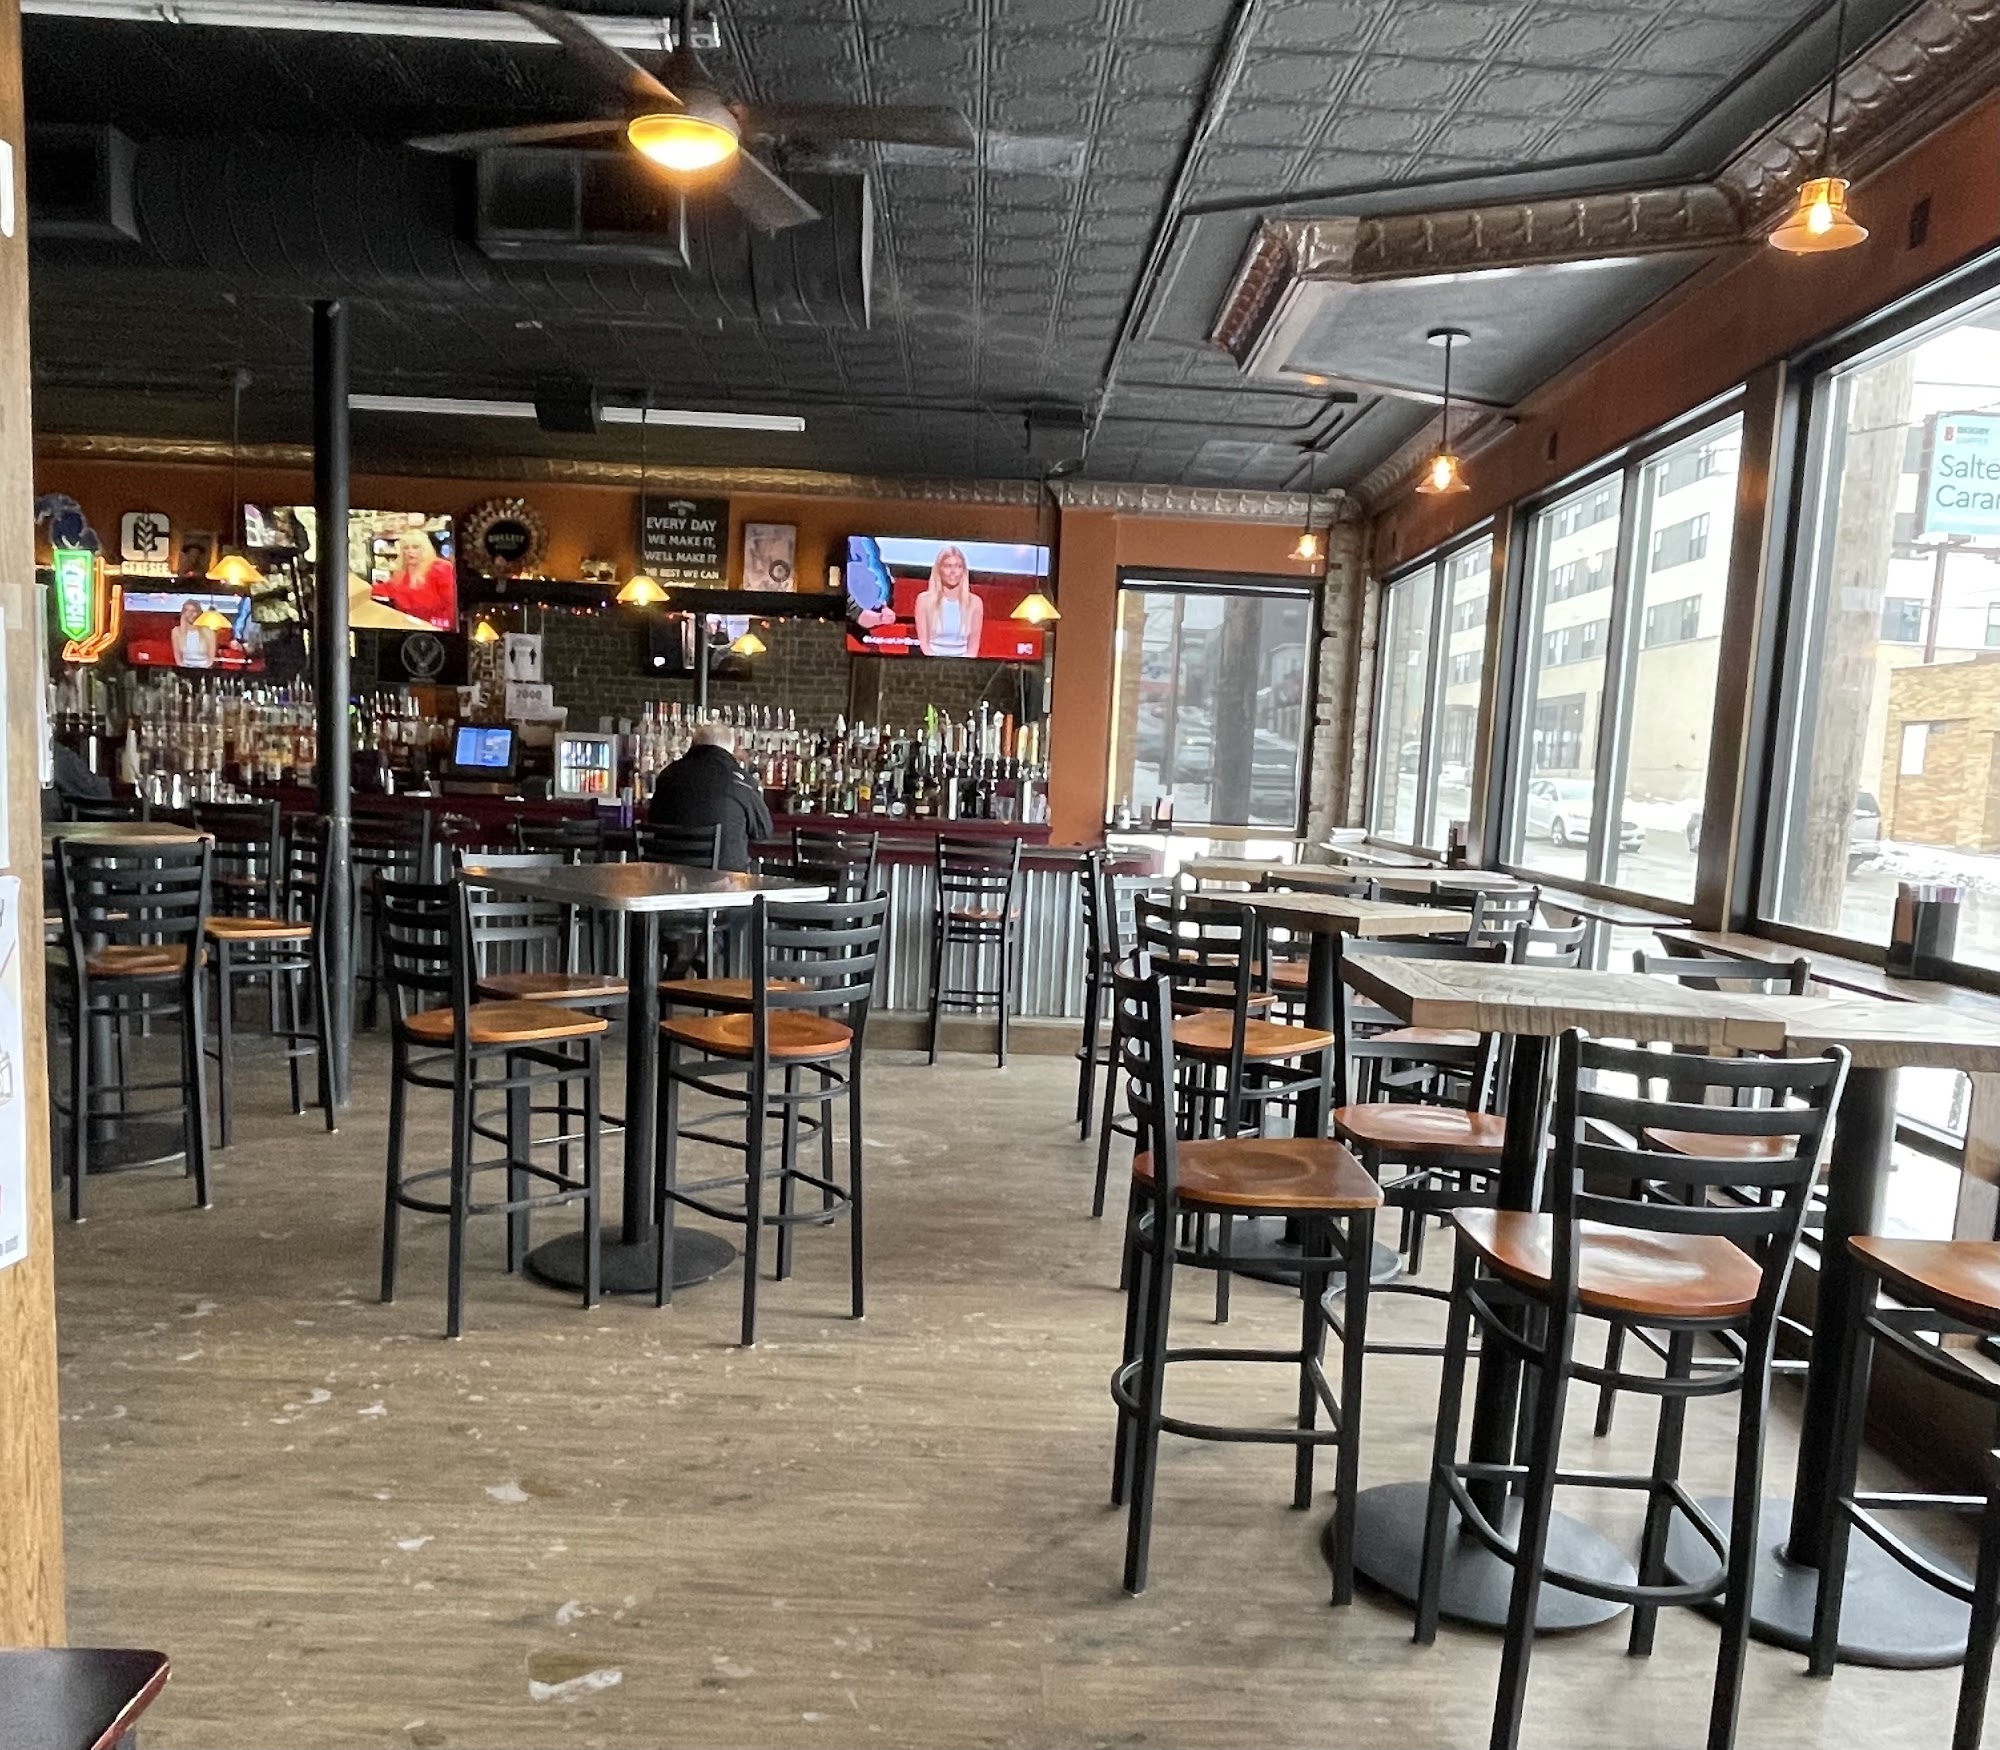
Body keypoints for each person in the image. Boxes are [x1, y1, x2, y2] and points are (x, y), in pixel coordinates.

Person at [647, 722, 772, 872]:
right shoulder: (740, 781)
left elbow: (652, 820)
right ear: (730, 750)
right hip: (723, 884)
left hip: (667, 880)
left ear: (693, 745)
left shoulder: (667, 775)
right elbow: (763, 831)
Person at [376, 530, 456, 629]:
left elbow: (452, 611)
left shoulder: (442, 568)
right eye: (406, 548)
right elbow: (385, 589)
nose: (409, 551)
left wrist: (432, 627)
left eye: (415, 547)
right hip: (406, 627)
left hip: (435, 630)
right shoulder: (400, 572)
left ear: (425, 549)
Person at [913, 545, 983, 658]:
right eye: (948, 566)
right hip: (931, 663)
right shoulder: (924, 600)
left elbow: (974, 646)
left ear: (963, 571)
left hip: (964, 665)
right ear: (939, 569)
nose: (953, 571)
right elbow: (924, 644)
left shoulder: (975, 603)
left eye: (958, 566)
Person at [169, 599, 216, 668]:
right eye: (187, 610)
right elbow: (178, 657)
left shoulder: (209, 632)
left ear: (199, 613)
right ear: (183, 613)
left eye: (193, 611)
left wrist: (203, 669)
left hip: (204, 669)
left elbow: (211, 659)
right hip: (184, 669)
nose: (190, 614)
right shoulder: (176, 631)